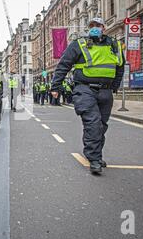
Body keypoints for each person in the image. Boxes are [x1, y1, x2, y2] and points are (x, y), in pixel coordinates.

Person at [51, 18, 124, 174]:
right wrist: (55, 86)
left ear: (104, 28)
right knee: (93, 123)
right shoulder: (79, 44)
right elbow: (63, 65)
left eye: (98, 26)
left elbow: (120, 67)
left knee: (102, 126)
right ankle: (95, 159)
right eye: (92, 26)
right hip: (84, 90)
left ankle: (94, 153)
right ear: (88, 29)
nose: (95, 28)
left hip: (106, 91)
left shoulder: (114, 45)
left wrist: (115, 86)